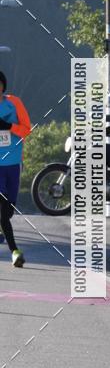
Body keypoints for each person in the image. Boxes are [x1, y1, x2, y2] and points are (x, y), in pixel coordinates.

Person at [0, 71, 31, 267]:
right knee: (3, 211)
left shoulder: (14, 103)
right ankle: (15, 251)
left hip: (13, 163)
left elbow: (27, 129)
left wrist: (8, 126)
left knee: (9, 210)